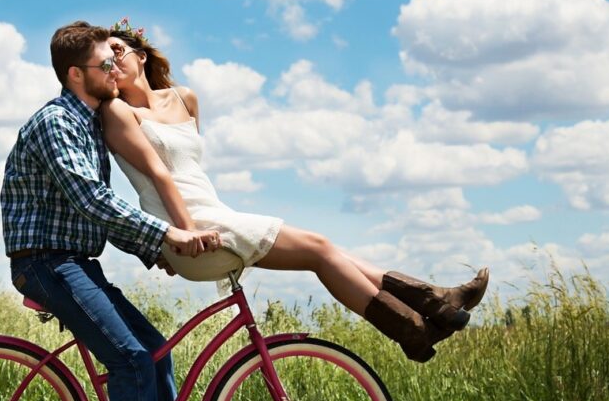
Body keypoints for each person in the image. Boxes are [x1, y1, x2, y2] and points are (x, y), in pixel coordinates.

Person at [100, 20, 489, 363]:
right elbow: (159, 177)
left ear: (141, 55)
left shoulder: (185, 98)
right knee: (320, 250)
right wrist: (180, 235)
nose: (111, 63)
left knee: (327, 250)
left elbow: (191, 172)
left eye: (117, 51)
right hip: (190, 229)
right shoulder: (119, 113)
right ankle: (420, 322)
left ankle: (431, 308)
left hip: (212, 214)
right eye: (103, 61)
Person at [0, 21, 227, 401]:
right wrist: (168, 235)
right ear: (78, 74)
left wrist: (155, 252)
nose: (115, 71)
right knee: (132, 363)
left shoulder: (88, 124)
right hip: (46, 263)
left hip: (76, 261)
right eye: (107, 64)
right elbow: (93, 200)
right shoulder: (57, 122)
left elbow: (95, 213)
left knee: (157, 354)